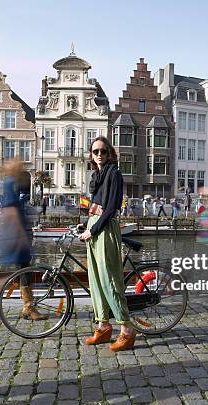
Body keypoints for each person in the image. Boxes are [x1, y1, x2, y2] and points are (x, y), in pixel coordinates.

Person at [79, 136, 135, 352]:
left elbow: (111, 208)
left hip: (104, 228)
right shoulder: (98, 175)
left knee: (109, 280)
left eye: (103, 151)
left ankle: (127, 330)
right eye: (95, 152)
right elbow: (94, 204)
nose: (99, 155)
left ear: (110, 153)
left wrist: (92, 230)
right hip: (94, 226)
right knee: (95, 280)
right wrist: (85, 224)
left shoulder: (114, 174)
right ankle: (103, 326)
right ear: (91, 156)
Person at [0, 159, 46, 321]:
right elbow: (11, 211)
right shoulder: (11, 183)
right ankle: (28, 308)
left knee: (23, 272)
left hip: (17, 235)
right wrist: (21, 236)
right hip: (18, 237)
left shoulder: (10, 183)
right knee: (25, 272)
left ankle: (28, 307)